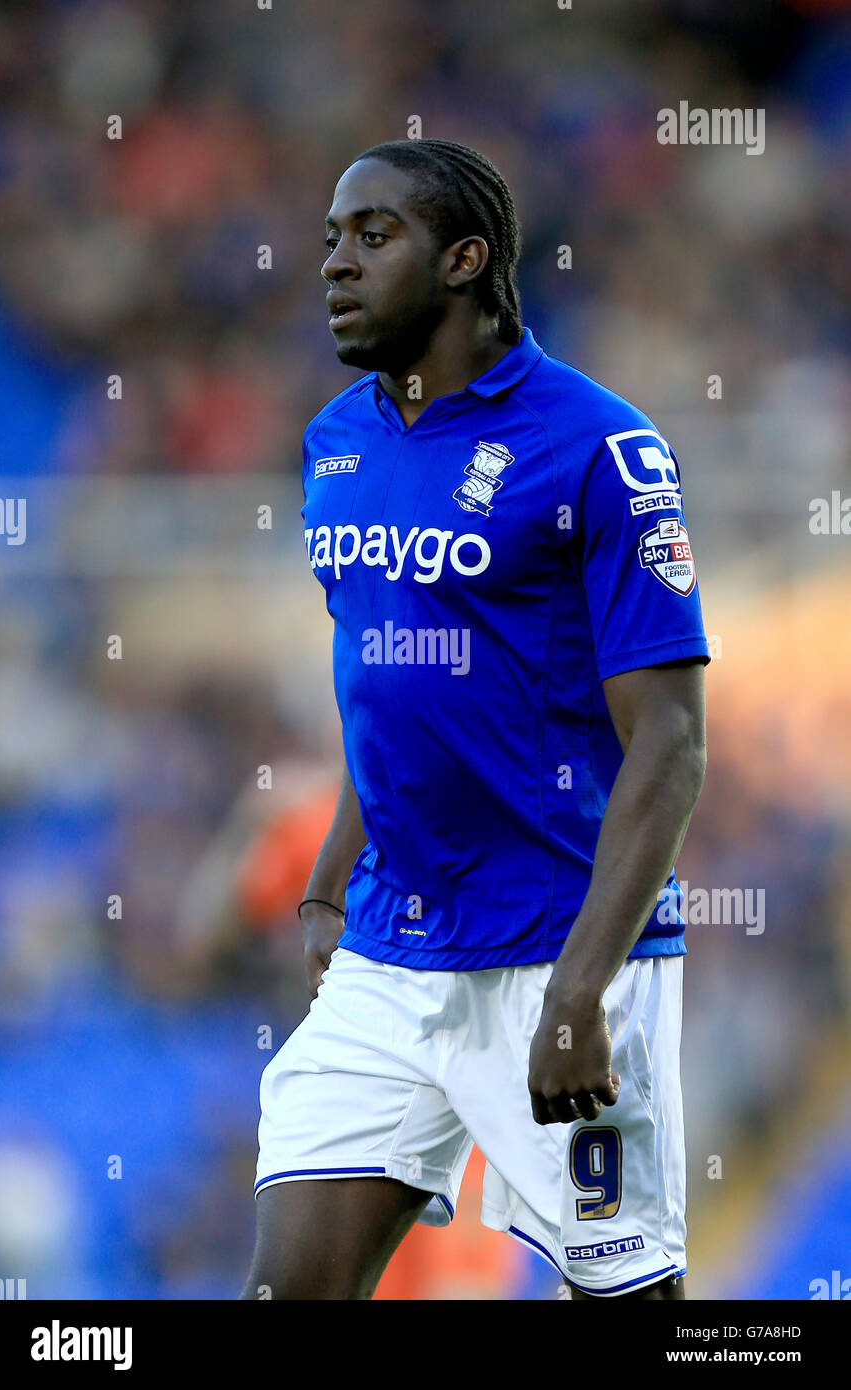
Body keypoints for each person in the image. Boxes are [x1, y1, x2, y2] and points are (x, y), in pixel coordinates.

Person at [241, 138, 708, 1301]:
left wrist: (580, 992)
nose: (335, 266)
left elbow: (672, 740)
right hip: (394, 947)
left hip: (561, 943)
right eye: (329, 241)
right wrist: (330, 876)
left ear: (465, 259)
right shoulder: (335, 443)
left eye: (372, 236)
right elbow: (392, 691)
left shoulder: (598, 447)